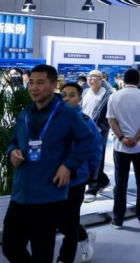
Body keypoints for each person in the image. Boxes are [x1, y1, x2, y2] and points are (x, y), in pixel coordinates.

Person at [3, 64, 94, 262]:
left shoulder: (67, 113)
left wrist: (68, 165)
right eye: (31, 83)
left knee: (42, 253)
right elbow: (14, 141)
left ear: (53, 85)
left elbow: (87, 140)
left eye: (40, 83)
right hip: (20, 193)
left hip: (48, 195)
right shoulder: (25, 113)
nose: (34, 88)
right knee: (10, 247)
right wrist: (12, 152)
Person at [107, 68, 140, 229]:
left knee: (120, 184)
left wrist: (122, 138)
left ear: (123, 80)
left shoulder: (114, 96)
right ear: (139, 81)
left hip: (120, 147)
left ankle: (118, 220)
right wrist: (137, 138)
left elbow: (111, 121)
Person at [59, 83, 102, 263]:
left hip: (76, 180)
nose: (67, 99)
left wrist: (86, 172)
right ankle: (84, 235)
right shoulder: (52, 119)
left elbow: (96, 150)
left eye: (72, 95)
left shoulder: (85, 122)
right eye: (64, 95)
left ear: (79, 98)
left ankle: (64, 258)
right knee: (58, 219)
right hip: (54, 179)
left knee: (70, 222)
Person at [82, 71, 113, 203]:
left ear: (101, 79)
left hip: (99, 132)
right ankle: (104, 181)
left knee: (97, 161)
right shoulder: (85, 92)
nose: (90, 79)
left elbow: (110, 114)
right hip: (84, 131)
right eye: (89, 76)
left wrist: (101, 127)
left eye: (94, 76)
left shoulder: (108, 95)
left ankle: (92, 189)